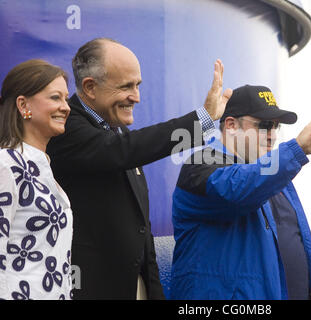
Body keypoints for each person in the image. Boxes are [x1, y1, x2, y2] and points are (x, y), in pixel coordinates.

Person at [46, 38, 232, 300]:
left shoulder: (117, 132)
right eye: (126, 87)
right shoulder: (67, 129)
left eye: (137, 85)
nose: (136, 96)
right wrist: (201, 120)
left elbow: (142, 232)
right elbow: (121, 150)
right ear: (90, 87)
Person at [170, 84, 311, 299]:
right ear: (231, 125)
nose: (272, 135)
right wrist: (297, 149)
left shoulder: (275, 175)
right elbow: (236, 191)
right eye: (264, 125)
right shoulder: (199, 166)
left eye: (276, 127)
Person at [0, 59, 72, 300]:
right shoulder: (6, 164)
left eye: (66, 98)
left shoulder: (43, 166)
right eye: (55, 98)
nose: (66, 107)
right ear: (23, 104)